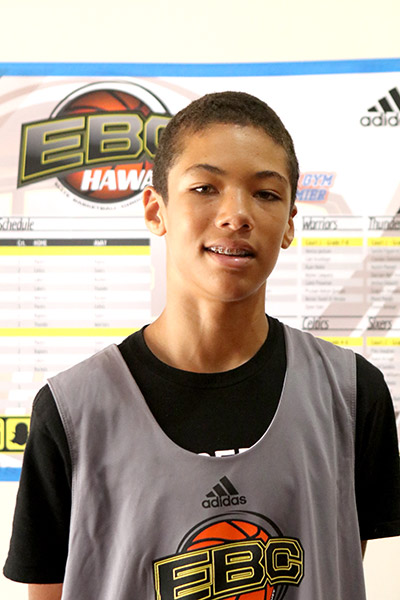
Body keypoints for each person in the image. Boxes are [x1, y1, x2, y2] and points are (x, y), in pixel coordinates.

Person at [4, 91, 400, 600]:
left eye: (266, 194)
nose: (236, 214)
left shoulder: (350, 395)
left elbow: (337, 564)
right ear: (156, 210)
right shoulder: (71, 411)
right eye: (205, 188)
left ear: (289, 224)